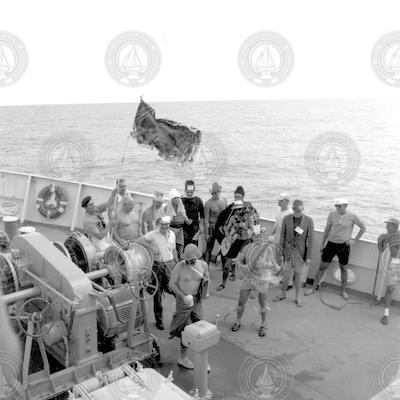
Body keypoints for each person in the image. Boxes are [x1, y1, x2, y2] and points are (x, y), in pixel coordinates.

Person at [305, 198, 366, 300]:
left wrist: (355, 240)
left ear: (345, 206)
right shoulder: (332, 214)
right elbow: (327, 229)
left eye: (339, 206)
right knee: (322, 266)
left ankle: (343, 291)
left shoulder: (352, 216)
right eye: (336, 206)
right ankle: (313, 288)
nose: (337, 208)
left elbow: (363, 228)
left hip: (344, 246)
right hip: (331, 244)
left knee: (343, 269)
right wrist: (322, 243)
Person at [231, 226, 281, 337]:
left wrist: (276, 268)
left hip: (261, 277)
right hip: (248, 277)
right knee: (241, 301)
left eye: (260, 235)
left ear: (263, 236)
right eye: (255, 235)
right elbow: (238, 260)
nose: (258, 237)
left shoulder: (267, 248)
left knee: (263, 301)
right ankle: (238, 321)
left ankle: (264, 324)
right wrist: (243, 266)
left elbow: (273, 263)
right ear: (252, 236)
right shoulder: (247, 247)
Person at [169, 243, 210, 370]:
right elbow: (172, 284)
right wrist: (183, 296)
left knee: (201, 330)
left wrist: (205, 292)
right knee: (185, 331)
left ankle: (203, 360)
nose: (190, 261)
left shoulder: (203, 265)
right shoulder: (179, 267)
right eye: (188, 259)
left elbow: (207, 279)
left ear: (196, 257)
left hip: (196, 300)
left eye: (192, 259)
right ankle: (183, 358)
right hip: (183, 301)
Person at [138, 216, 178, 330]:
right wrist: (151, 247)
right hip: (158, 266)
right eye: (162, 224)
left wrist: (176, 262)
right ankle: (159, 320)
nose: (164, 226)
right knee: (158, 294)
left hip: (170, 264)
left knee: (176, 290)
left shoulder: (172, 234)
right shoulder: (153, 234)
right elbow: (139, 240)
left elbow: (174, 249)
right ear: (158, 224)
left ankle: (181, 316)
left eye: (167, 224)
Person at [274, 199, 314, 307]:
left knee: (298, 275)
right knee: (285, 274)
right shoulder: (286, 218)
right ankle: (283, 294)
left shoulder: (309, 221)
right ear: (292, 208)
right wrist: (280, 251)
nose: (297, 211)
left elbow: (310, 241)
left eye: (299, 209)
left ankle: (298, 297)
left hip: (300, 253)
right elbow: (282, 236)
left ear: (302, 209)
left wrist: (308, 257)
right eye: (295, 208)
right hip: (287, 251)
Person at [214, 186, 259, 280]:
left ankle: (245, 275)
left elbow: (256, 219)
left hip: (246, 237)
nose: (237, 198)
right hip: (233, 237)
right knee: (232, 255)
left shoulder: (249, 208)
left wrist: (256, 233)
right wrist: (223, 231)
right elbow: (222, 220)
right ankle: (232, 272)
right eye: (236, 196)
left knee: (245, 257)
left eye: (239, 196)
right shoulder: (231, 207)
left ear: (243, 196)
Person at [216, 200, 253, 291]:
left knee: (246, 264)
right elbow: (226, 228)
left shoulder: (249, 218)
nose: (237, 211)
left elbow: (253, 232)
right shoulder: (233, 218)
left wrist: (244, 227)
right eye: (235, 209)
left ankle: (250, 287)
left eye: (239, 209)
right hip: (235, 241)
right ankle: (223, 284)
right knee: (227, 264)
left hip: (245, 241)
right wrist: (228, 236)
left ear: (243, 209)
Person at [376, 218, 400, 325]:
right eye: (387, 225)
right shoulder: (386, 237)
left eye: (389, 225)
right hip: (394, 263)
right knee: (390, 289)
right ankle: (386, 314)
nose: (386, 227)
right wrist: (380, 242)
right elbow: (381, 250)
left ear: (395, 227)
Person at [204, 183, 227, 265]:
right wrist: (206, 233)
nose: (214, 195)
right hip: (212, 227)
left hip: (222, 227)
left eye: (216, 193)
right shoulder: (208, 204)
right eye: (212, 193)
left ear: (219, 192)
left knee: (224, 246)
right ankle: (205, 267)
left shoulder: (224, 200)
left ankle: (224, 266)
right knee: (209, 247)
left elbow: (226, 215)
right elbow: (206, 220)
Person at [166, 188, 191, 260]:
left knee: (181, 246)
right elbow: (167, 222)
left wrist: (189, 221)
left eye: (178, 198)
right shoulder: (167, 208)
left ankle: (180, 261)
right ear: (171, 200)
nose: (177, 200)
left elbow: (186, 218)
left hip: (180, 229)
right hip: (171, 230)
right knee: (171, 248)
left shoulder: (181, 207)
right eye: (174, 198)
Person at [181, 180, 205, 247]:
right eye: (188, 192)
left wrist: (201, 226)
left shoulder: (198, 200)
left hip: (194, 227)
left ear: (194, 190)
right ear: (185, 190)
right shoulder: (181, 200)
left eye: (191, 192)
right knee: (184, 245)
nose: (189, 194)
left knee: (193, 245)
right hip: (184, 227)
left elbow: (202, 216)